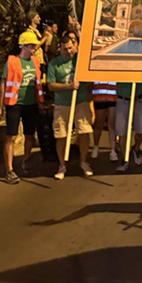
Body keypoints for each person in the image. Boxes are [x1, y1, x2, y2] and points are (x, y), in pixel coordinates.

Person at [0, 30, 43, 184]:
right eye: (32, 46)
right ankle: (9, 169)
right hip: (14, 103)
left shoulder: (35, 61)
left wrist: (40, 101)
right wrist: (0, 105)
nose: (35, 48)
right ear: (23, 46)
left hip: (31, 104)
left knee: (29, 135)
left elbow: (38, 83)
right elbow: (3, 82)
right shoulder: (12, 62)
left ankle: (26, 161)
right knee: (11, 136)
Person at [47, 39, 94, 179]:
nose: (68, 51)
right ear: (60, 49)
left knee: (84, 131)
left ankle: (84, 162)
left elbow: (90, 77)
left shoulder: (80, 61)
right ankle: (62, 166)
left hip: (81, 102)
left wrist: (88, 89)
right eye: (65, 49)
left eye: (70, 48)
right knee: (61, 135)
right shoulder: (54, 64)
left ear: (75, 46)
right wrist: (68, 86)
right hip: (62, 104)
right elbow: (51, 85)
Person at [115, 81, 142, 172]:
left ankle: (136, 148)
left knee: (141, 129)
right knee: (122, 132)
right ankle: (125, 159)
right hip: (122, 99)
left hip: (138, 99)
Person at [90, 81, 118, 162]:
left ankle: (113, 150)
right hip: (99, 97)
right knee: (98, 125)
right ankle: (96, 146)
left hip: (112, 97)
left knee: (111, 125)